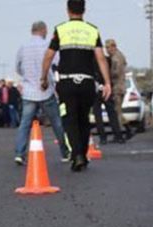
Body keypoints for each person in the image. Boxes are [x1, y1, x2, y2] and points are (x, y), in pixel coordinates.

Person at [42, 0, 111, 172]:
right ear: (84, 10)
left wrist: (43, 77)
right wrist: (107, 82)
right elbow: (101, 58)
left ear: (68, 10)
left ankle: (77, 155)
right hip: (87, 82)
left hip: (67, 83)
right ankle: (83, 154)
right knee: (84, 119)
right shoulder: (92, 30)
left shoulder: (60, 30)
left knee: (69, 119)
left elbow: (49, 56)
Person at [13, 20, 70, 165]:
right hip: (46, 90)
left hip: (29, 92)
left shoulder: (22, 47)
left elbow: (18, 68)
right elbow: (58, 63)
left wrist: (27, 77)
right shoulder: (47, 46)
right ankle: (65, 152)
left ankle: (20, 153)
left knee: (24, 124)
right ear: (43, 30)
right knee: (57, 122)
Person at [93, 53, 125, 145]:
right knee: (112, 113)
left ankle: (103, 137)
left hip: (96, 88)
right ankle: (118, 135)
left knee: (98, 115)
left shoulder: (89, 60)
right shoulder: (107, 59)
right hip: (107, 87)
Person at [105, 39, 131, 140]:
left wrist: (106, 75)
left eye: (108, 47)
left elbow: (115, 73)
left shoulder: (116, 58)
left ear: (113, 46)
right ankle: (125, 130)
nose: (107, 50)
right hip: (120, 86)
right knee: (118, 111)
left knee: (117, 112)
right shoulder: (118, 56)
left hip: (117, 87)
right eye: (106, 48)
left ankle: (123, 131)